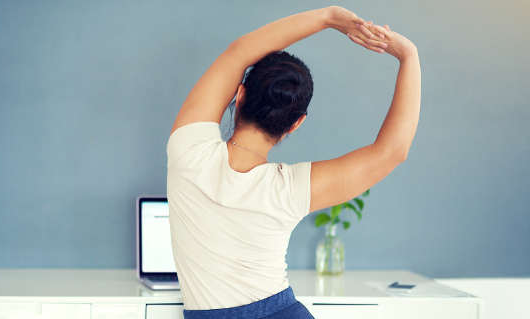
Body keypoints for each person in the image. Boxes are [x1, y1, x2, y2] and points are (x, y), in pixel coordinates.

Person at [166, 5, 420, 319]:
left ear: (240, 95)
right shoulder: (291, 188)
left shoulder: (188, 150)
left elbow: (238, 53)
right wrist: (409, 56)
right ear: (296, 123)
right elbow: (392, 151)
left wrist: (329, 17)